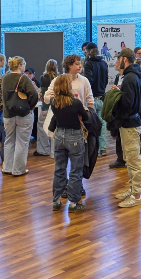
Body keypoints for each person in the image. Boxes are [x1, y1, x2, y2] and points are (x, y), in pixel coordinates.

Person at [49, 75, 90, 211]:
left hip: (59, 136)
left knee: (59, 170)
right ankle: (73, 203)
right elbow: (85, 116)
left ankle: (56, 200)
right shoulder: (76, 102)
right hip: (74, 137)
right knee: (75, 171)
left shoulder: (54, 101)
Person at [112, 48, 141, 208]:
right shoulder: (132, 76)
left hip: (130, 124)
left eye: (118, 59)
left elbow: (128, 103)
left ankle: (136, 195)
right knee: (129, 159)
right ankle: (132, 189)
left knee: (133, 161)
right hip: (129, 124)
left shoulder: (129, 78)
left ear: (124, 59)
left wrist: (116, 100)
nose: (117, 62)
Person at [1, 57, 39, 176]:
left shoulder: (4, 78)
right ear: (19, 65)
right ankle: (18, 170)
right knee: (22, 142)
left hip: (8, 113)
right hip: (23, 114)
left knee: (9, 141)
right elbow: (34, 94)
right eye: (23, 64)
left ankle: (7, 167)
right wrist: (31, 107)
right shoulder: (24, 78)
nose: (24, 67)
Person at [83, 43, 109, 156]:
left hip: (91, 99)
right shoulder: (104, 63)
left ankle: (92, 148)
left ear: (88, 52)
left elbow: (89, 81)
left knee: (91, 124)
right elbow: (106, 79)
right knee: (102, 124)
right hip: (102, 96)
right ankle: (102, 148)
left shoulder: (89, 64)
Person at [36, 59, 58, 158]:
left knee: (41, 127)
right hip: (55, 108)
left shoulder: (43, 78)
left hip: (45, 107)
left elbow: (41, 92)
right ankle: (54, 152)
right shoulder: (58, 79)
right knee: (54, 129)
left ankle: (44, 149)